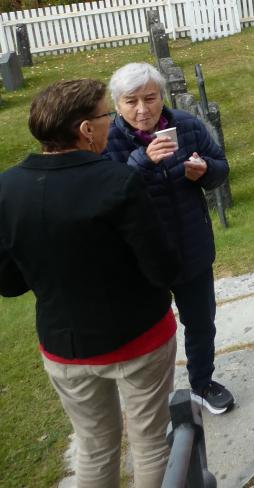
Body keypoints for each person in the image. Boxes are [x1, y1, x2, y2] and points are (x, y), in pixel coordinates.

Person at [0, 79, 180, 488]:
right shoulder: (117, 182)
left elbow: (8, 282)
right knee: (150, 442)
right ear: (85, 129)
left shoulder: (7, 188)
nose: (110, 124)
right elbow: (162, 267)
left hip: (65, 347)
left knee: (94, 445)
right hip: (139, 338)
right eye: (106, 116)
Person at [104, 62, 234, 414]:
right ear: (117, 104)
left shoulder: (187, 126)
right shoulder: (108, 139)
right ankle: (150, 402)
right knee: (146, 334)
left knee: (201, 321)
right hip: (140, 261)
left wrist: (205, 171)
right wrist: (141, 163)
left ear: (162, 96)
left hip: (189, 245)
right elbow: (105, 196)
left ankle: (202, 383)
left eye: (150, 98)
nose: (142, 109)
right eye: (131, 101)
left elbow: (221, 167)